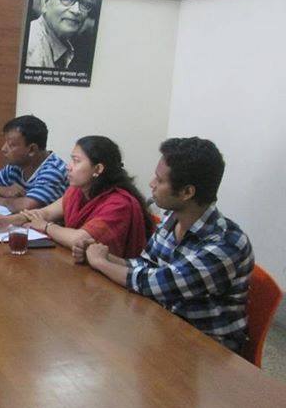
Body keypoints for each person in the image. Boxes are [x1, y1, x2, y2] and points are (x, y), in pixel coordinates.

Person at [86, 137, 254, 352]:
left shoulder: (227, 244)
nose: (151, 184)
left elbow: (156, 283)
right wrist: (104, 255)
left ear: (187, 192)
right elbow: (146, 265)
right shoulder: (171, 219)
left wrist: (101, 263)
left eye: (160, 180)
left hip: (209, 350)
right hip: (164, 327)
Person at [0, 136, 152, 260]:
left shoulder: (119, 203)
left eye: (76, 161)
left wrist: (46, 227)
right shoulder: (78, 190)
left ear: (98, 169)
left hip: (116, 282)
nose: (68, 167)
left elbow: (81, 238)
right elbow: (45, 213)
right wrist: (8, 220)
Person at [0, 115, 68, 212]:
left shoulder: (53, 170)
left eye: (11, 145)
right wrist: (5, 191)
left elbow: (28, 206)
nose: (3, 149)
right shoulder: (16, 166)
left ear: (31, 149)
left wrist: (4, 202)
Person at [25, 0, 94, 69]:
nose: (76, 11)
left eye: (84, 3)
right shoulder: (32, 47)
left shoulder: (61, 44)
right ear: (46, 1)